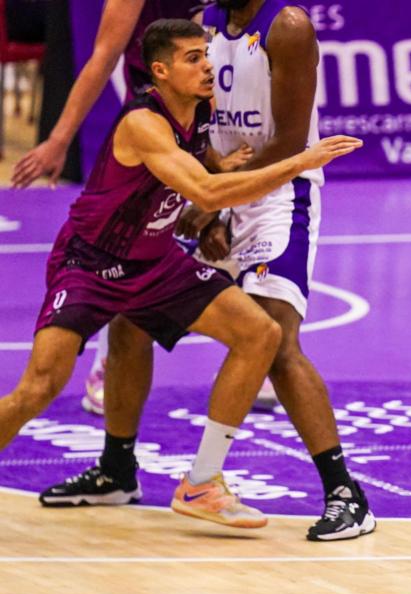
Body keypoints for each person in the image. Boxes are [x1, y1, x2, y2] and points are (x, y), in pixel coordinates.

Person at [1, 19, 361, 529]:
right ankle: (118, 467)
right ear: (161, 71)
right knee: (38, 387)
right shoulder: (143, 123)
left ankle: (199, 483)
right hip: (92, 263)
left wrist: (220, 186)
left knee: (260, 333)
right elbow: (207, 189)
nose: (207, 65)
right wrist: (302, 160)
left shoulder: (200, 111)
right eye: (194, 58)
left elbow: (209, 170)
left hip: (154, 261)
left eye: (206, 55)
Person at [12, 0, 228, 417]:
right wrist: (58, 140)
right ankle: (105, 364)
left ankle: (265, 357)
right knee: (128, 246)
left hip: (204, 113)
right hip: (156, 124)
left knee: (192, 244)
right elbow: (103, 56)